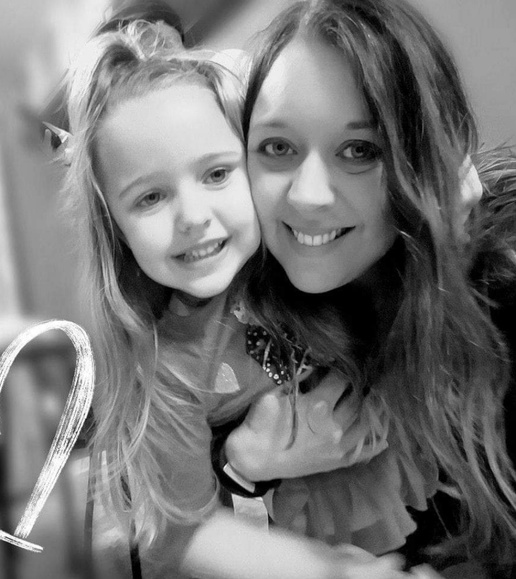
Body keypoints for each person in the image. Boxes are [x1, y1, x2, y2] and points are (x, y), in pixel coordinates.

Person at [60, 8, 424, 579]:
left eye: (216, 174)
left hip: (397, 474)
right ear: (117, 230)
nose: (192, 217)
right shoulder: (166, 364)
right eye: (150, 198)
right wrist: (327, 571)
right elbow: (183, 535)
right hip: (282, 539)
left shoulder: (304, 257)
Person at [214, 0, 516, 577]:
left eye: (361, 151)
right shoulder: (237, 311)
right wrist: (246, 465)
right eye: (278, 147)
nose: (308, 196)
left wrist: (443, 264)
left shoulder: (500, 291)